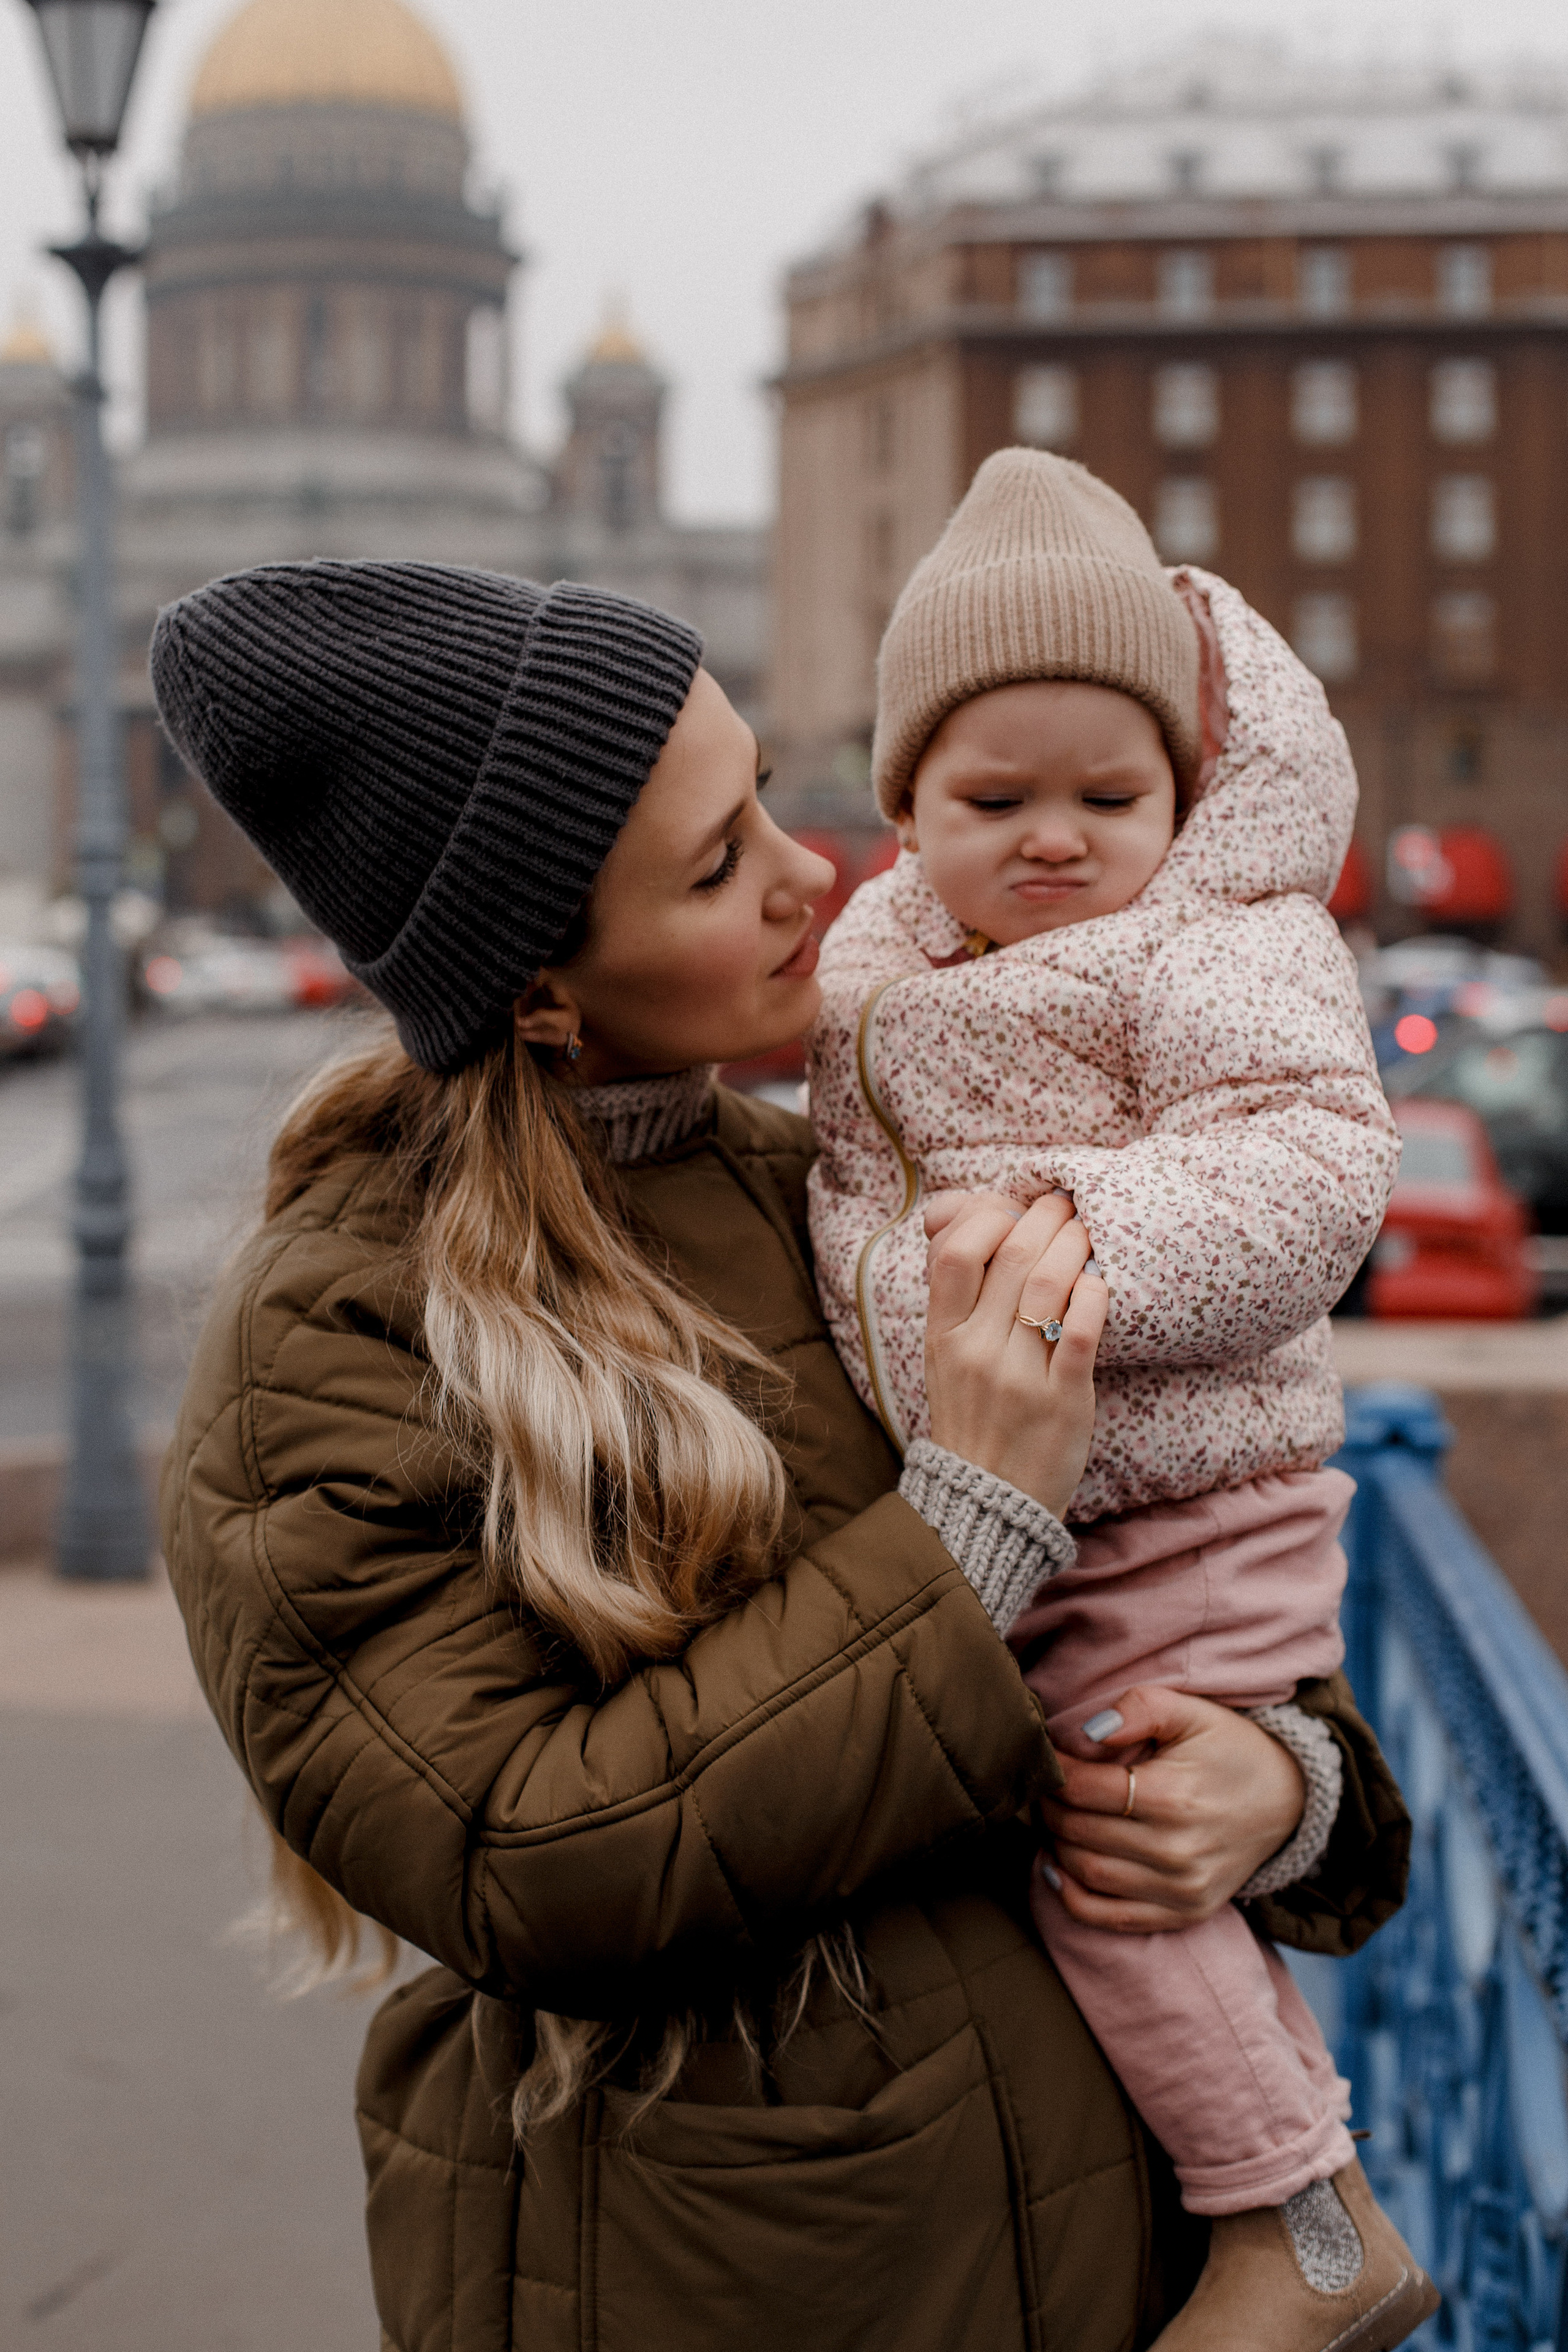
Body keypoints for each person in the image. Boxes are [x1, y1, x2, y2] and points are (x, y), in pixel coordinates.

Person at [152, 559, 1409, 2352]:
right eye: (718, 864)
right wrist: (965, 1526)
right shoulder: (336, 1342)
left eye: (762, 800)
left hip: (1112, 2244)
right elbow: (526, 1858)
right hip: (745, 2272)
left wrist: (1284, 1794)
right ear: (536, 993)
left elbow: (1182, 1608)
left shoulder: (832, 1194)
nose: (817, 871)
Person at [807, 449, 1432, 2350]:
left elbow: (1314, 1169)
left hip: (1187, 1509)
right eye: (998, 799)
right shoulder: (884, 966)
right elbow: (852, 1184)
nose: (1063, 838)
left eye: (1116, 793)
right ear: (906, 808)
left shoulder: (1221, 941)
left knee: (1109, 1858)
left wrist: (1059, 1240)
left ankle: (1305, 2226)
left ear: (1189, 791)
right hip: (1060, 1508)